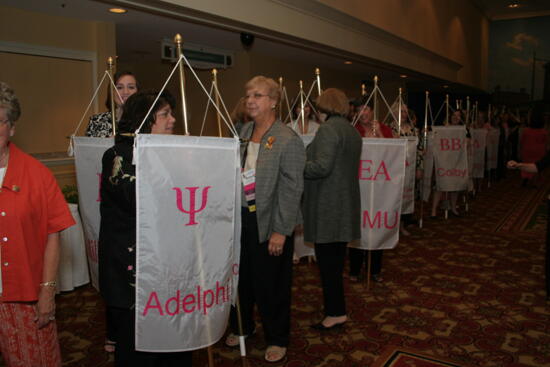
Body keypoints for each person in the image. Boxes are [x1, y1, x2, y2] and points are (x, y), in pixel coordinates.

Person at [98, 90, 191, 366]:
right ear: (145, 119)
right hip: (132, 272)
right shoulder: (116, 155)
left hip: (168, 268)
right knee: (136, 346)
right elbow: (137, 196)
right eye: (165, 115)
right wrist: (175, 161)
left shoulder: (169, 151)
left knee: (174, 337)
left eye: (171, 113)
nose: (173, 120)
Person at [226, 76, 305, 363]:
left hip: (270, 222)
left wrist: (281, 232)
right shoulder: (243, 130)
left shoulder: (287, 138)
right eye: (248, 95)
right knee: (241, 280)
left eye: (258, 95)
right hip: (241, 219)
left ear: (273, 101)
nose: (250, 100)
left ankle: (277, 337)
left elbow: (292, 188)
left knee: (271, 284)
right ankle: (242, 327)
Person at [0, 82, 75, 366]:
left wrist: (47, 292)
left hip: (21, 295)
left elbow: (53, 235)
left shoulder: (37, 175)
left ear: (12, 128)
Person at [303, 88, 362, 329]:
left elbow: (321, 167)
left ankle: (335, 312)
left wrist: (297, 165)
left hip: (328, 205)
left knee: (329, 265)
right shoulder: (351, 130)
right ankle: (337, 308)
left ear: (323, 107)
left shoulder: (328, 129)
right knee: (336, 264)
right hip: (344, 204)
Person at [349, 101, 391, 283]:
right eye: (358, 110)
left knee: (376, 225)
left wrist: (379, 134)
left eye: (365, 108)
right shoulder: (352, 130)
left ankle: (374, 269)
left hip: (379, 186)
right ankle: (355, 268)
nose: (362, 112)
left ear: (372, 111)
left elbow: (393, 154)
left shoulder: (385, 129)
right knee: (358, 226)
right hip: (358, 185)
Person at [85, 71, 139, 138]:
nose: (126, 92)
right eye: (119, 87)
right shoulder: (96, 121)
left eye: (131, 87)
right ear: (111, 92)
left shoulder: (147, 120)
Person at [431, 110, 462, 217]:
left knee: (455, 186)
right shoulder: (444, 128)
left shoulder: (463, 129)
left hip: (457, 161)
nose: (456, 117)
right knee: (440, 185)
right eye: (454, 115)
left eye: (458, 116)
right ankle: (433, 210)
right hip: (443, 160)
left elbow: (467, 142)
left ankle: (453, 207)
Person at [518, 108, 548, 187]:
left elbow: (522, 142)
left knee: (526, 165)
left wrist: (520, 151)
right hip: (539, 152)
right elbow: (545, 143)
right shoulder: (544, 131)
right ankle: (534, 182)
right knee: (536, 165)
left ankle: (525, 179)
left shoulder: (526, 131)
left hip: (527, 151)